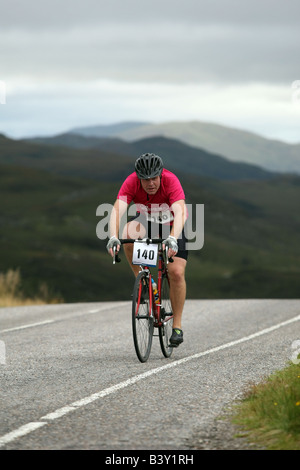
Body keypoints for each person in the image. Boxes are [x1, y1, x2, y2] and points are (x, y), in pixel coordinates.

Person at [106, 153, 188, 347]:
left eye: (154, 178)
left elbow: (181, 212)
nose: (150, 183)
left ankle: (176, 326)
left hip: (171, 226)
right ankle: (142, 279)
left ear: (160, 174)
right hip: (146, 222)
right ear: (138, 178)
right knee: (127, 233)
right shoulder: (131, 182)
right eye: (145, 179)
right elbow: (118, 210)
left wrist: (173, 239)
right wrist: (112, 236)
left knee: (176, 273)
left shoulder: (171, 180)